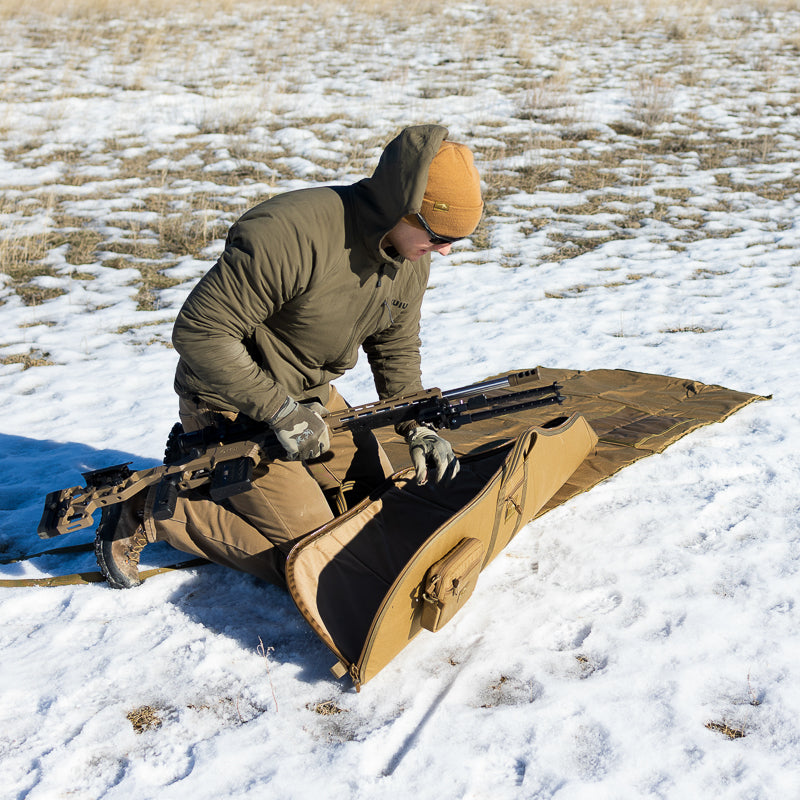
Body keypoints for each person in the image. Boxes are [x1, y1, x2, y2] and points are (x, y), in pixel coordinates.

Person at [95, 123, 484, 590]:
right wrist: (279, 411)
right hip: (230, 404)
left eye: (456, 241)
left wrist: (416, 419)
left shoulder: (409, 257)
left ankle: (238, 485)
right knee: (326, 566)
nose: (443, 251)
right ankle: (153, 511)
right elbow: (200, 332)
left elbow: (395, 347)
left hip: (312, 401)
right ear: (404, 207)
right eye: (439, 234)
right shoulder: (293, 234)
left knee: (385, 507)